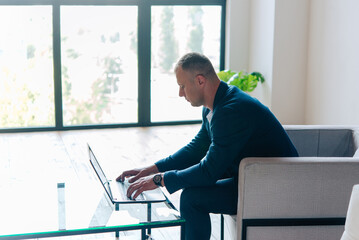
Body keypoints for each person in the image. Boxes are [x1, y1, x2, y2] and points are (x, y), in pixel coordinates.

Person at [116, 52, 298, 239]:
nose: (180, 94)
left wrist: (160, 179)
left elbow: (209, 171)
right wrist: (151, 169)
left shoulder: (230, 111)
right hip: (252, 179)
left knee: (192, 199)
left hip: (274, 187)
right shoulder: (216, 105)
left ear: (200, 81)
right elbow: (195, 149)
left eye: (182, 86)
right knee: (192, 194)